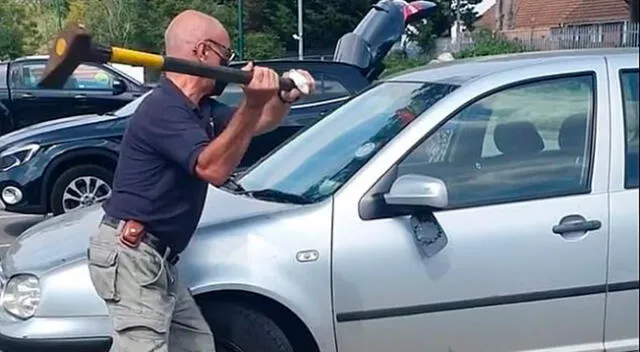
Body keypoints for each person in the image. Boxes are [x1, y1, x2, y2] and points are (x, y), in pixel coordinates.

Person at [86, 9, 316, 352]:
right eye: (226, 54)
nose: (229, 63)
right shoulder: (163, 108)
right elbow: (213, 169)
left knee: (194, 344)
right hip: (132, 254)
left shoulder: (200, 108)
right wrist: (252, 104)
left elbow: (254, 125)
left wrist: (281, 97)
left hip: (158, 258)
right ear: (203, 52)